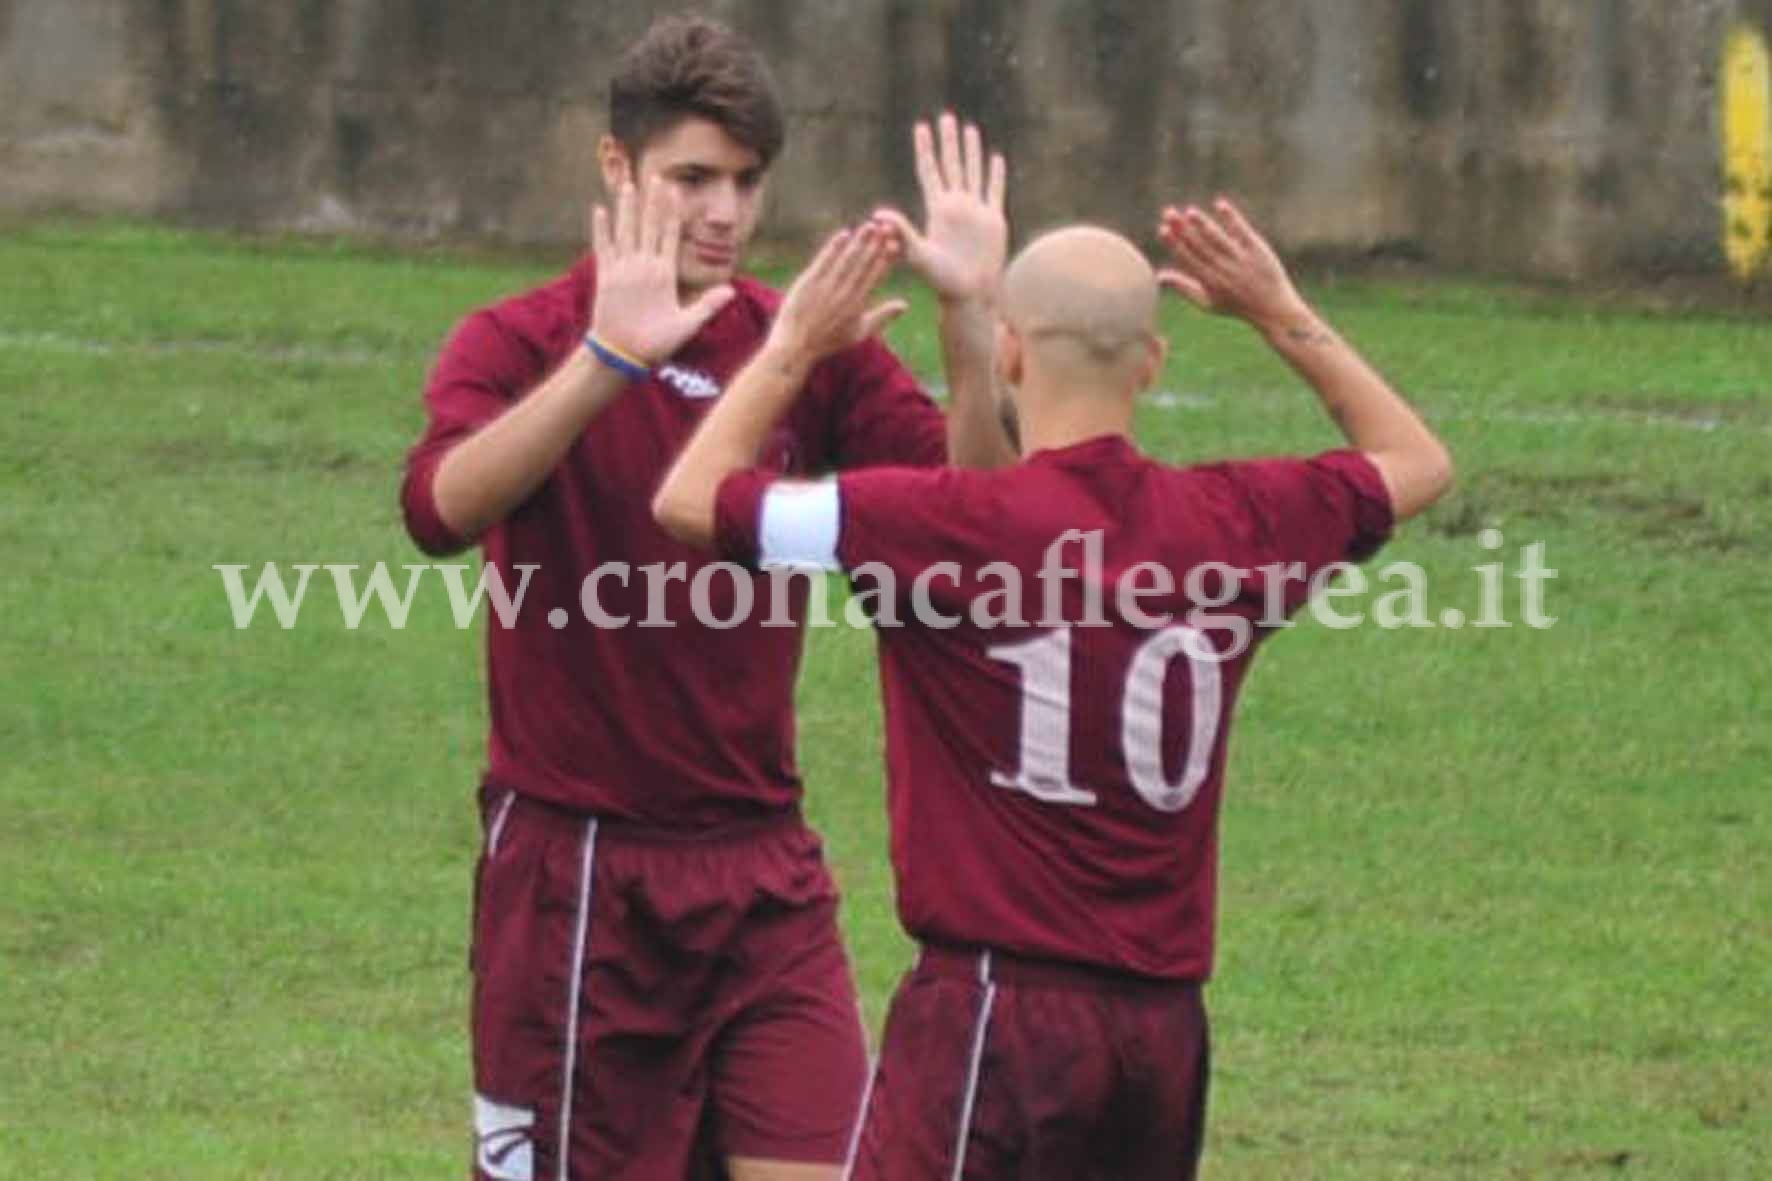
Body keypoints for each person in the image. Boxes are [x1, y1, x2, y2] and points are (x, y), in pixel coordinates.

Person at [652, 198, 1453, 1178]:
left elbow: (689, 499)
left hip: (993, 1013)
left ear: (1014, 355)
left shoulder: (935, 523)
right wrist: (1277, 307)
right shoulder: (1237, 520)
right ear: (1151, 362)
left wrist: (788, 349)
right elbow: (1415, 459)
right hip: (1159, 1034)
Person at [398, 13, 1011, 1181]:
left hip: (761, 873)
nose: (724, 211)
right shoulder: (519, 336)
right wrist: (605, 361)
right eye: (692, 178)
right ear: (615, 169)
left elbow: (979, 524)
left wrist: (967, 322)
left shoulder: (800, 341)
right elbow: (438, 509)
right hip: (579, 878)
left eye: (745, 181)